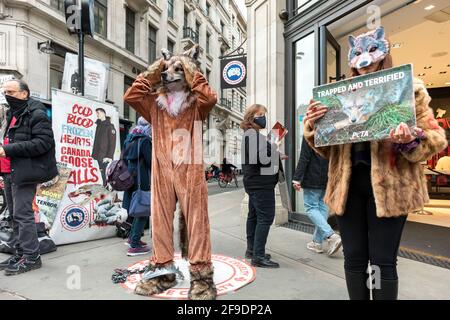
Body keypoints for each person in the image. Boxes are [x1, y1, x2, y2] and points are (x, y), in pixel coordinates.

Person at [303, 26, 448, 300]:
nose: (365, 62)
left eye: (372, 51)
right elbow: (327, 153)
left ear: (384, 55)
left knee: (383, 261)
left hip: (391, 188)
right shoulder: (337, 97)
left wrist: (410, 140)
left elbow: (436, 137)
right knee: (354, 259)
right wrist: (313, 127)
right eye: (358, 55)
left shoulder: (409, 90)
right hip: (347, 189)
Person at [0, 79, 58, 275]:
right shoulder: (12, 114)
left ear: (24, 94)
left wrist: (7, 149)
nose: (7, 95)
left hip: (24, 172)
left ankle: (32, 257)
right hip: (9, 171)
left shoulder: (36, 113)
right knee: (14, 216)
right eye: (5, 91)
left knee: (23, 215)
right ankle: (20, 252)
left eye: (11, 92)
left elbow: (43, 143)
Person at [241, 104, 286, 268]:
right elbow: (262, 159)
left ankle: (252, 250)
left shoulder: (253, 135)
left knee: (253, 216)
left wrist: (277, 153)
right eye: (260, 114)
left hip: (255, 183)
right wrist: (275, 149)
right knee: (265, 218)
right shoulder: (253, 135)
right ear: (252, 117)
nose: (263, 117)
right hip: (261, 184)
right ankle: (258, 256)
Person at [292, 137, 341, 256]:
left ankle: (330, 235)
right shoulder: (329, 131)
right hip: (327, 177)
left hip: (312, 177)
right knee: (323, 208)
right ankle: (317, 242)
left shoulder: (310, 132)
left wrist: (297, 178)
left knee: (311, 208)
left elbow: (304, 157)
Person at [122, 117, 152, 256]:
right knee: (143, 210)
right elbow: (151, 162)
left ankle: (133, 238)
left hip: (129, 178)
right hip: (141, 179)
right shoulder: (144, 140)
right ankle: (134, 245)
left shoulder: (130, 138)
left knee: (135, 209)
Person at [92, 108, 116, 186]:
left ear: (103, 113)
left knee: (107, 174)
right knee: (103, 173)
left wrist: (109, 156)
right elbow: (97, 140)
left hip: (105, 156)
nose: (97, 115)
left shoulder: (110, 127)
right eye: (97, 113)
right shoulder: (99, 125)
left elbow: (112, 143)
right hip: (99, 154)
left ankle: (110, 191)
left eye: (98, 113)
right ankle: (105, 188)